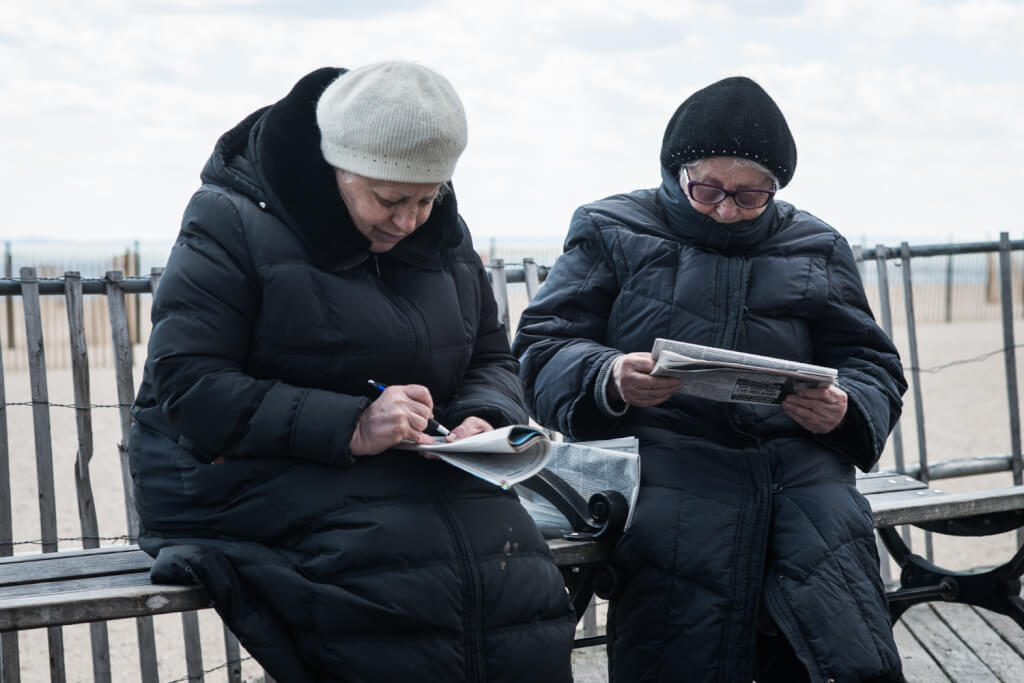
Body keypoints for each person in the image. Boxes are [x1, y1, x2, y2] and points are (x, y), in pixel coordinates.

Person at [129, 61, 575, 682]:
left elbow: (491, 357)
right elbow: (190, 386)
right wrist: (351, 424)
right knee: (396, 569)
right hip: (241, 472)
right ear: (335, 167)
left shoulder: (442, 233)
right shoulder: (229, 220)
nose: (409, 221)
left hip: (405, 469)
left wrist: (485, 417)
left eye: (428, 197)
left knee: (514, 563)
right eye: (389, 199)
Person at [512, 76, 908, 682]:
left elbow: (872, 363)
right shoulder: (610, 228)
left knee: (837, 634)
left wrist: (848, 408)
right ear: (676, 171)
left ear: (776, 190)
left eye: (751, 197)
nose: (726, 209)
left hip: (797, 470)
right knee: (683, 597)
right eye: (708, 190)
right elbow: (541, 347)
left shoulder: (817, 245)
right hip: (667, 464)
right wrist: (608, 376)